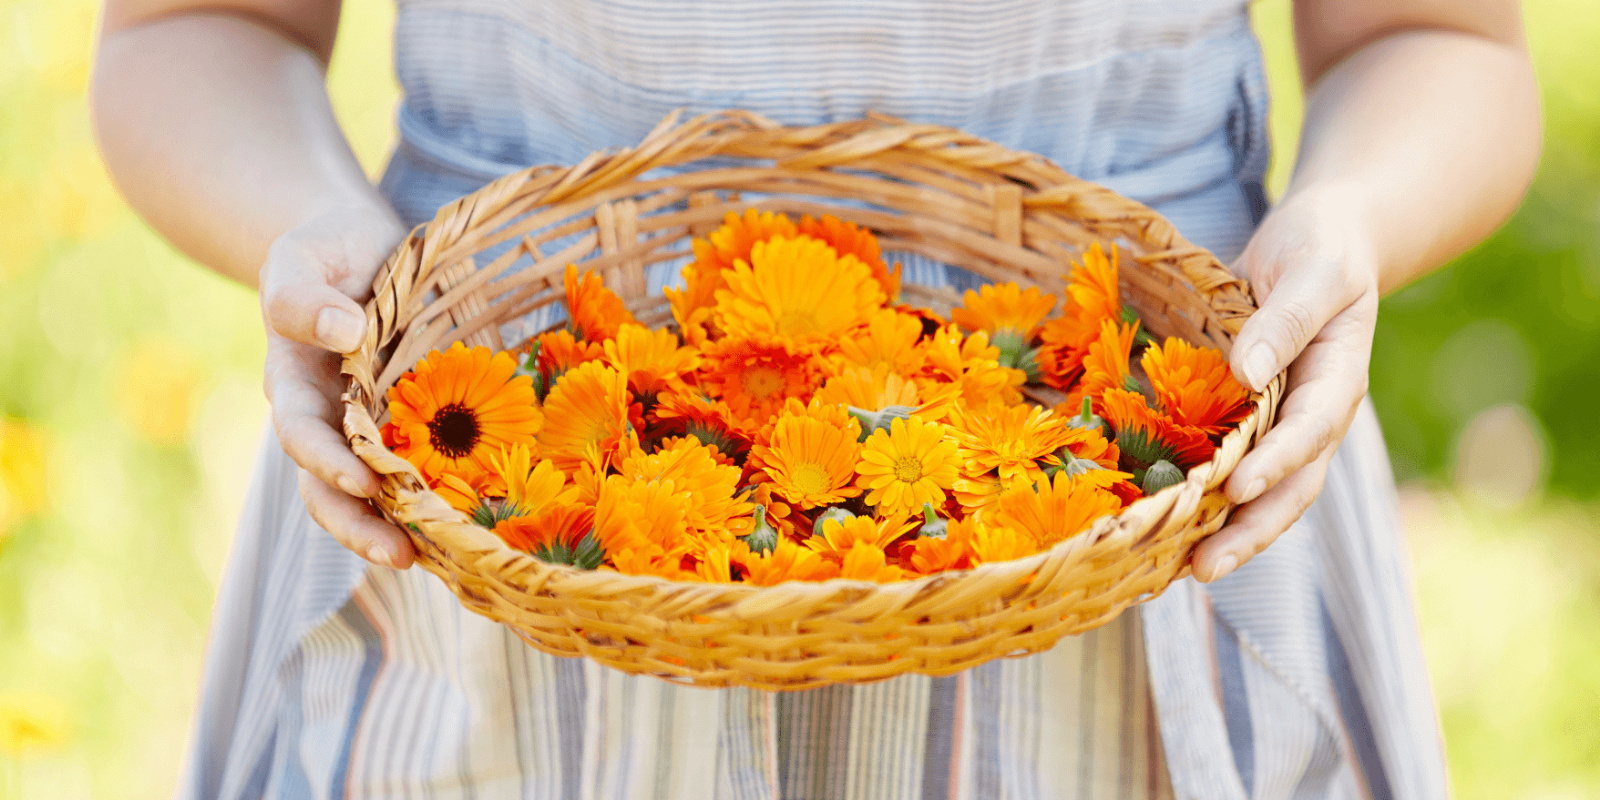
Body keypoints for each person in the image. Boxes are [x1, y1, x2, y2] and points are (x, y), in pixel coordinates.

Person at [91, 0, 1539, 797]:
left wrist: (1347, 218)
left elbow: (1442, 39)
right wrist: (314, 244)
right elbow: (195, 26)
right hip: (507, 515)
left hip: (1133, 503)